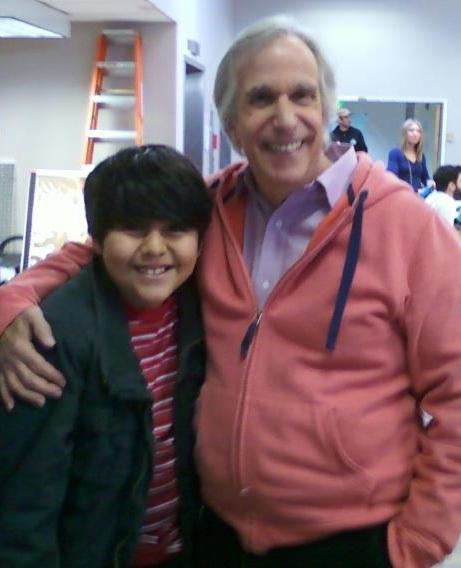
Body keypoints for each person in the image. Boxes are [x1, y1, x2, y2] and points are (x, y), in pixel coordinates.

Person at [1, 14, 461, 568]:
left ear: (325, 109)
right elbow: (105, 248)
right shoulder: (210, 209)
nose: (285, 118)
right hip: (215, 536)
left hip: (353, 543)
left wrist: (417, 543)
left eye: (302, 95)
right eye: (261, 98)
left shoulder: (408, 228)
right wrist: (11, 302)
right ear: (232, 123)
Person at [0, 144, 212, 567]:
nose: (155, 247)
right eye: (133, 229)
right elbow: (25, 504)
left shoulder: (202, 307)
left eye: (173, 230)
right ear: (95, 239)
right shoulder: (53, 336)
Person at [387, 118, 435, 191]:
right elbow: (391, 176)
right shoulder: (395, 153)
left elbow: (425, 177)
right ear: (405, 133)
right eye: (411, 130)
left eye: (418, 131)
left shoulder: (421, 155)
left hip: (418, 196)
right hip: (401, 194)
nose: (415, 134)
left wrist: (430, 182)